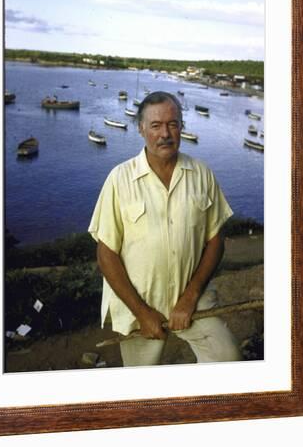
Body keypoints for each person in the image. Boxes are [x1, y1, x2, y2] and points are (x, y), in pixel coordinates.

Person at [88, 91, 241, 366]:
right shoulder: (119, 179)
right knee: (142, 388)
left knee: (227, 358)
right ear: (141, 129)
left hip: (193, 302)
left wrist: (190, 296)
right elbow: (105, 255)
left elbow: (215, 240)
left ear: (181, 127)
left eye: (172, 124)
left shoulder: (202, 174)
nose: (165, 134)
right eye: (156, 125)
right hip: (139, 307)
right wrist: (142, 312)